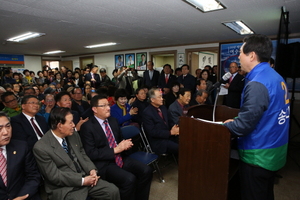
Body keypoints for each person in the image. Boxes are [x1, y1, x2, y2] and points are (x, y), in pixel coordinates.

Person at [223, 34, 290, 200]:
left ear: (251, 55)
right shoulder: (276, 76)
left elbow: (244, 127)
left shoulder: (257, 83)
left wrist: (223, 126)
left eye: (240, 52)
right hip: (275, 148)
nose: (238, 56)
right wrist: (239, 121)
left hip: (259, 153)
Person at [33, 107, 120, 200]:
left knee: (112, 191)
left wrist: (91, 169)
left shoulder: (73, 135)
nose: (74, 125)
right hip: (65, 187)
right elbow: (54, 176)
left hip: (86, 177)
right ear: (59, 126)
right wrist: (82, 181)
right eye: (70, 123)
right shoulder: (41, 147)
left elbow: (82, 153)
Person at [80, 95, 153, 200]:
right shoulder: (87, 127)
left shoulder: (113, 121)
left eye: (108, 105)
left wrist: (126, 145)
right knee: (129, 179)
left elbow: (119, 141)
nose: (108, 108)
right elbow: (91, 153)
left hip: (120, 157)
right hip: (104, 163)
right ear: (94, 109)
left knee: (146, 171)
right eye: (103, 106)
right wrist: (115, 150)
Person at [0, 111, 42, 200]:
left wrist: (20, 197)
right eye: (0, 128)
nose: (5, 132)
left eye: (8, 126)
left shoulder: (21, 147)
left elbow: (33, 176)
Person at [143, 88, 179, 155]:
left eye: (162, 97)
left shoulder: (163, 108)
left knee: (185, 141)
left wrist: (175, 127)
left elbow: (169, 121)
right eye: (159, 97)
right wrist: (170, 133)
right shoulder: (147, 113)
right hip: (158, 141)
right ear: (152, 99)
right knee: (180, 148)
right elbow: (152, 132)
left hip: (169, 136)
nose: (162, 99)